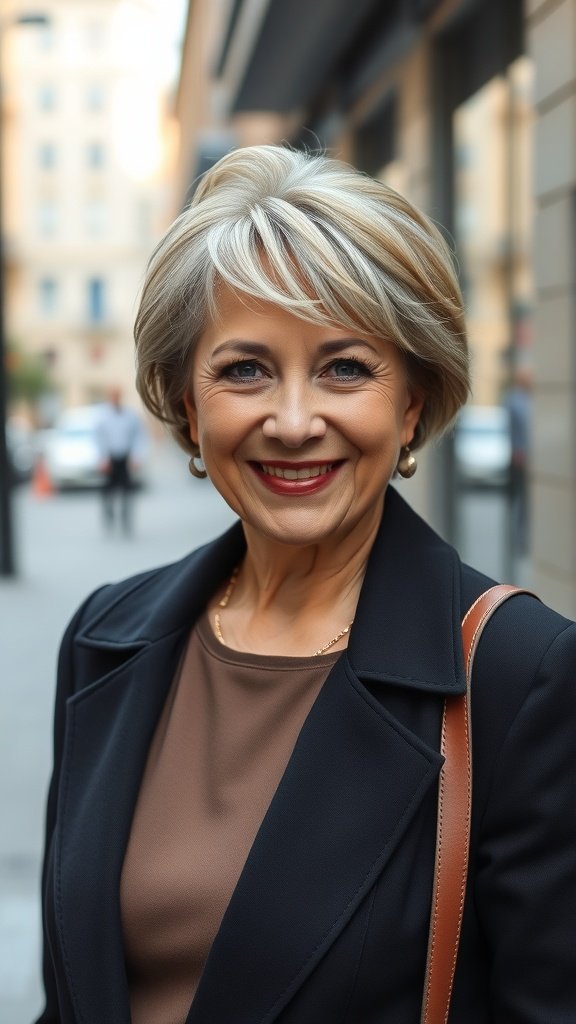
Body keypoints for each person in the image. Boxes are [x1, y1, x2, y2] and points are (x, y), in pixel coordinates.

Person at [35, 146, 576, 1024]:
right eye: (245, 369)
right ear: (185, 402)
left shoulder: (522, 674)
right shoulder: (106, 634)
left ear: (410, 403)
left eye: (345, 368)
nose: (292, 422)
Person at [96, 387, 146, 534]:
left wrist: (135, 456)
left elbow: (138, 436)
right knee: (108, 492)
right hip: (109, 458)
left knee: (127, 491)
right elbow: (98, 439)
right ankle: (109, 516)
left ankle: (126, 521)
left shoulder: (130, 416)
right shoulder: (102, 417)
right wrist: (102, 458)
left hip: (125, 458)